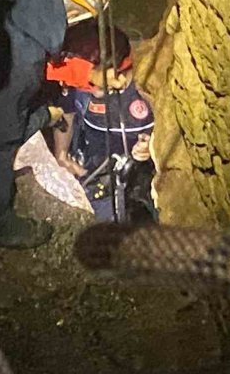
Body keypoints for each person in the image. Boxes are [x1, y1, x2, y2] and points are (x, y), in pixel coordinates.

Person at [0, 0, 111, 249]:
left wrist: (83, 75)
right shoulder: (25, 67)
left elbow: (34, 54)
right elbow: (2, 129)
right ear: (77, 12)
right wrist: (47, 115)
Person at [49, 21, 157, 223]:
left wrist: (153, 146)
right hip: (95, 163)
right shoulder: (78, 86)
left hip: (142, 171)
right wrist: (61, 152)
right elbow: (67, 112)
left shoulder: (151, 87)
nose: (92, 91)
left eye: (94, 84)